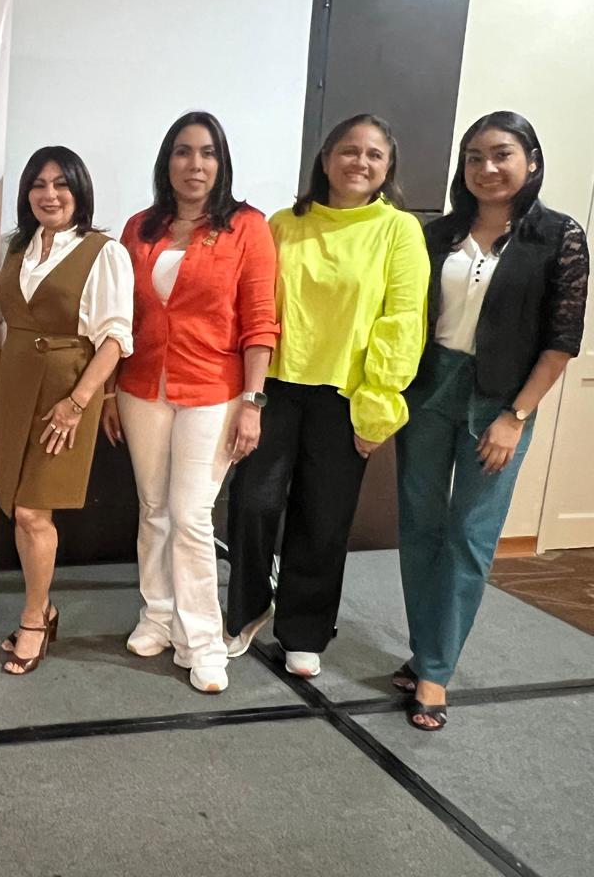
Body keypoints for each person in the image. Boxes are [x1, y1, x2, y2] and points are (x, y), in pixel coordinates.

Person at [395, 112, 588, 731]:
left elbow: (561, 339)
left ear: (531, 160)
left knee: (471, 535)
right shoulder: (437, 233)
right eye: (474, 156)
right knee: (420, 526)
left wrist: (517, 415)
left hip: (502, 401)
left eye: (502, 154)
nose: (487, 168)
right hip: (429, 389)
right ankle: (427, 647)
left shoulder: (558, 236)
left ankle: (434, 672)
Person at [224, 114, 430, 679]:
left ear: (388, 167)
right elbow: (255, 307)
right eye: (348, 150)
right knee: (252, 504)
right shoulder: (282, 224)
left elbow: (403, 321)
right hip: (275, 388)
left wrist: (378, 405)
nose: (359, 162)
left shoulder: (398, 230)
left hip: (346, 396)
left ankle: (304, 630)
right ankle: (246, 610)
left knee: (323, 518)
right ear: (325, 158)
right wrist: (247, 390)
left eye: (374, 154)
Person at [101, 112, 279, 694]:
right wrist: (109, 389)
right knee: (153, 507)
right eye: (183, 152)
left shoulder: (247, 227)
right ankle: (157, 614)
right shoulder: (140, 227)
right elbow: (120, 316)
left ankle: (202, 640)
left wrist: (253, 401)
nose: (194, 164)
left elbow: (260, 320)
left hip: (214, 388)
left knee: (191, 514)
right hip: (141, 386)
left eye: (207, 153)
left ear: (221, 163)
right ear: (167, 161)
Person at [0, 145, 133, 675]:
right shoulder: (13, 248)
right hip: (13, 387)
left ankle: (34, 618)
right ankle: (44, 607)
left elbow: (115, 339)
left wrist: (77, 403)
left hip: (66, 391)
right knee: (17, 505)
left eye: (61, 184)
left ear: (80, 191)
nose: (49, 195)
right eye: (38, 184)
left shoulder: (103, 252)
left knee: (35, 511)